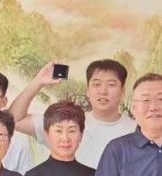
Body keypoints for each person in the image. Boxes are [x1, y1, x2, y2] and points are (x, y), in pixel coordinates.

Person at [9, 59, 137, 168]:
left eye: (111, 84)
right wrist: (38, 81)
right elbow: (13, 120)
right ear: (87, 90)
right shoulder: (67, 122)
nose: (103, 91)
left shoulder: (137, 130)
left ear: (122, 91)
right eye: (96, 84)